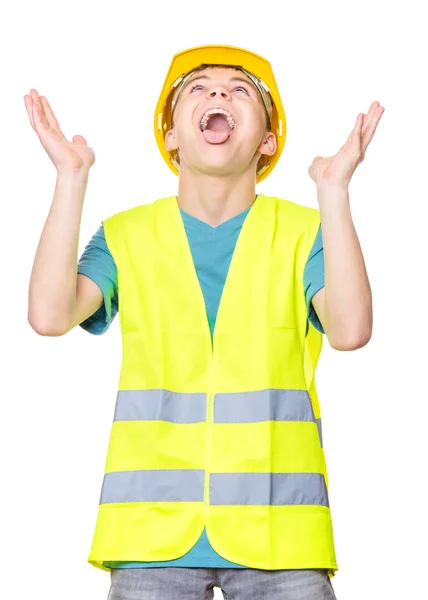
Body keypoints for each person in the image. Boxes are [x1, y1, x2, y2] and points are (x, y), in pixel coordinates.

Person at [26, 44, 384, 600]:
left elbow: (351, 330)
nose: (218, 93)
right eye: (198, 88)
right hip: (149, 537)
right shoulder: (126, 235)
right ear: (171, 136)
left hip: (280, 538)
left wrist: (334, 194)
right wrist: (71, 178)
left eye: (240, 90)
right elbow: (49, 316)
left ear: (268, 141)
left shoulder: (306, 232)